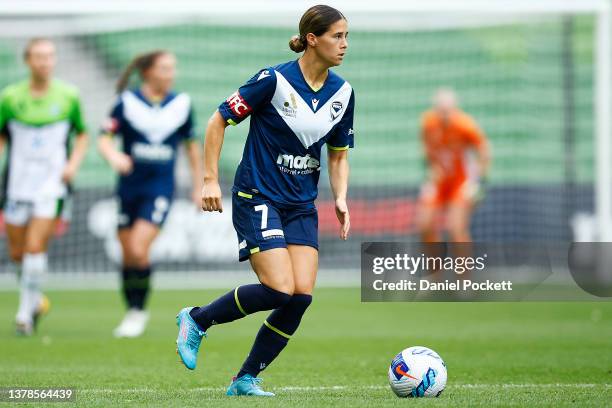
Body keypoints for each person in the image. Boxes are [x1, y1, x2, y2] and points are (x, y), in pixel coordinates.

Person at [175, 4, 354, 397]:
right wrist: (209, 179)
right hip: (257, 193)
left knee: (300, 296)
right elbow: (218, 119)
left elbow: (339, 152)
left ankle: (245, 378)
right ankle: (197, 320)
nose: (344, 45)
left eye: (346, 37)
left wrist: (340, 197)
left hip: (301, 203)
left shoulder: (343, 92)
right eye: (337, 36)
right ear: (312, 38)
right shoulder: (272, 81)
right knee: (277, 288)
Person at [98, 50, 201, 338]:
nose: (171, 74)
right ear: (148, 72)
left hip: (159, 188)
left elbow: (191, 147)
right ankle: (131, 308)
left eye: (173, 68)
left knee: (138, 249)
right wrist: (113, 156)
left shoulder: (181, 104)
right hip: (128, 188)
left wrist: (199, 185)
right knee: (127, 254)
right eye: (165, 68)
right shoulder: (126, 103)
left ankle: (138, 313)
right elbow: (104, 138)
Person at [0, 38, 89, 336]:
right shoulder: (10, 97)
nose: (44, 62)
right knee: (17, 253)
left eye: (49, 56)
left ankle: (24, 315)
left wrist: (72, 165)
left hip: (51, 185)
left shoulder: (68, 96)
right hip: (16, 185)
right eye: (38, 57)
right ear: (27, 61)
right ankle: (36, 299)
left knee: (35, 247)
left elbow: (82, 134)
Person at [418, 88, 490, 242]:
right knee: (424, 224)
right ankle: (435, 265)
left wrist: (479, 183)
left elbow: (484, 151)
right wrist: (431, 168)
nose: (445, 116)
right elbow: (426, 148)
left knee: (456, 228)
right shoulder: (428, 123)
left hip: (460, 181)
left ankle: (463, 266)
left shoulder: (465, 125)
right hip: (439, 180)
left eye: (448, 111)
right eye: (441, 111)